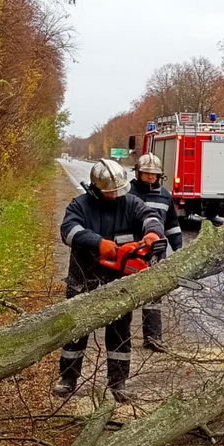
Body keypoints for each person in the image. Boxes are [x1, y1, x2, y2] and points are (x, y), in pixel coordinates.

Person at [53, 158, 164, 402]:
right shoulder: (79, 205)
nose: (114, 195)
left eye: (117, 190)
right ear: (96, 188)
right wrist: (97, 242)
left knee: (120, 332)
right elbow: (68, 230)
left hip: (119, 281)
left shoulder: (131, 203)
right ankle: (68, 378)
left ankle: (118, 382)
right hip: (84, 277)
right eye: (109, 191)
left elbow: (150, 216)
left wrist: (152, 234)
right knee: (75, 330)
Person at [128, 153, 182, 352]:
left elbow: (172, 225)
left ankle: (153, 337)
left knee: (154, 296)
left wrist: (178, 250)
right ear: (138, 173)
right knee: (125, 295)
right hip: (131, 251)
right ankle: (120, 337)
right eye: (147, 174)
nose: (151, 177)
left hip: (156, 253)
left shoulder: (165, 195)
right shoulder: (127, 193)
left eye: (154, 174)